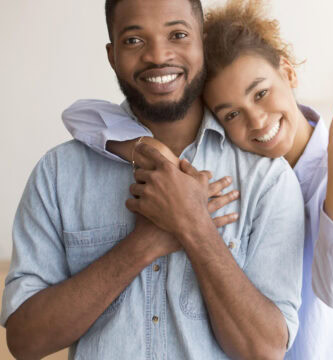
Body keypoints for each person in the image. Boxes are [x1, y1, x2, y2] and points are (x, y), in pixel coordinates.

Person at [62, 0, 333, 358]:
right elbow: (80, 116)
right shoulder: (235, 164)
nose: (258, 121)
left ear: (288, 73)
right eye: (231, 114)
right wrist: (152, 150)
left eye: (261, 93)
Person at [0, 0, 306, 359]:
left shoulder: (266, 178)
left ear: (200, 43)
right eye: (134, 41)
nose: (158, 56)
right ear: (112, 55)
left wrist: (194, 227)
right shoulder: (58, 173)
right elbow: (24, 341)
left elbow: (265, 349)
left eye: (177, 34)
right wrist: (147, 242)